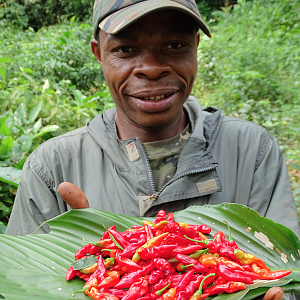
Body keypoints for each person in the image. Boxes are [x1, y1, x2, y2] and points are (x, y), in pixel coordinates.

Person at [6, 0, 299, 298]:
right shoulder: (53, 166)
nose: (152, 68)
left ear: (195, 47)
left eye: (174, 45)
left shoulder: (252, 151)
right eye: (125, 50)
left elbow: (286, 273)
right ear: (99, 53)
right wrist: (101, 260)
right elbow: (20, 276)